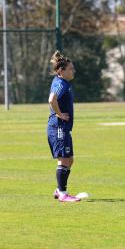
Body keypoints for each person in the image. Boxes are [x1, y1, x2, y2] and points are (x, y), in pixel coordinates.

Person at [47, 51, 80, 202]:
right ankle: (63, 194)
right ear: (61, 70)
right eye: (70, 68)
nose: (73, 71)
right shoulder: (60, 83)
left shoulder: (63, 83)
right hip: (59, 127)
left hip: (64, 128)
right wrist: (59, 114)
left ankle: (59, 190)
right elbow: (51, 100)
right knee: (64, 159)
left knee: (69, 159)